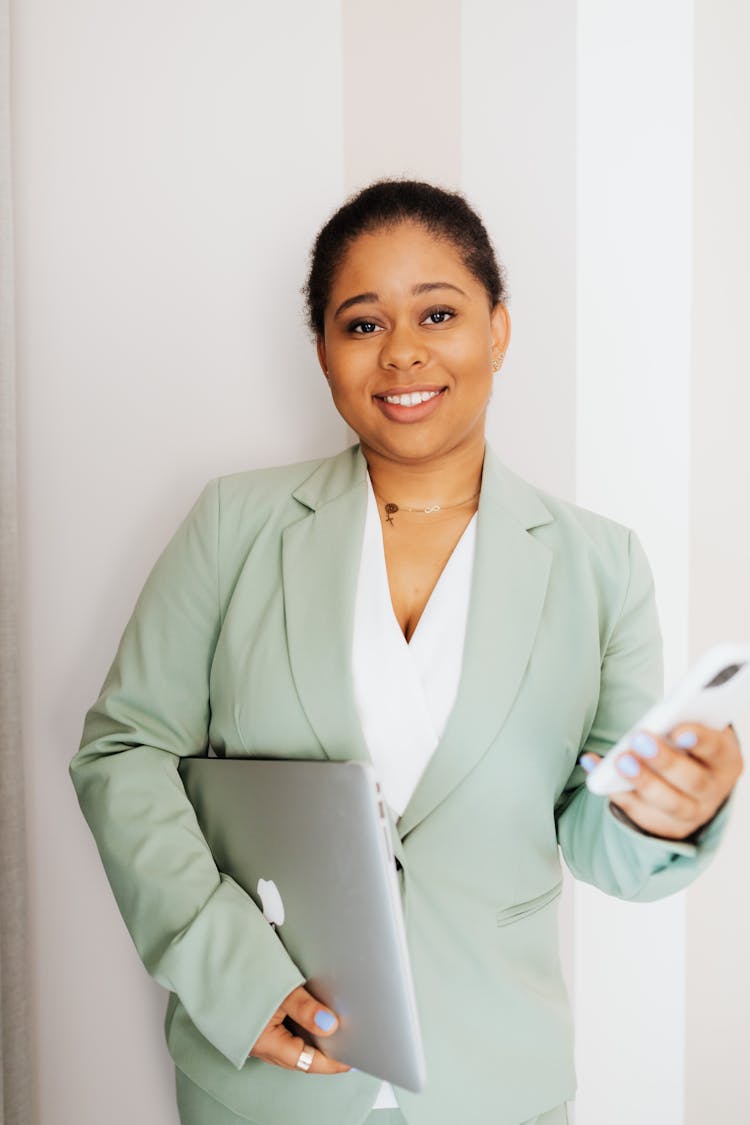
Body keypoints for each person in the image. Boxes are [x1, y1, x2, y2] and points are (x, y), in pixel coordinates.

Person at [70, 179, 743, 1125]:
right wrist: (230, 972)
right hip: (270, 1078)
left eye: (439, 312)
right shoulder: (235, 524)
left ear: (498, 331)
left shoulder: (600, 563)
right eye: (361, 324)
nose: (403, 352)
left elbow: (601, 833)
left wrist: (671, 812)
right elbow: (123, 751)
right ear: (324, 355)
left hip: (498, 1085)